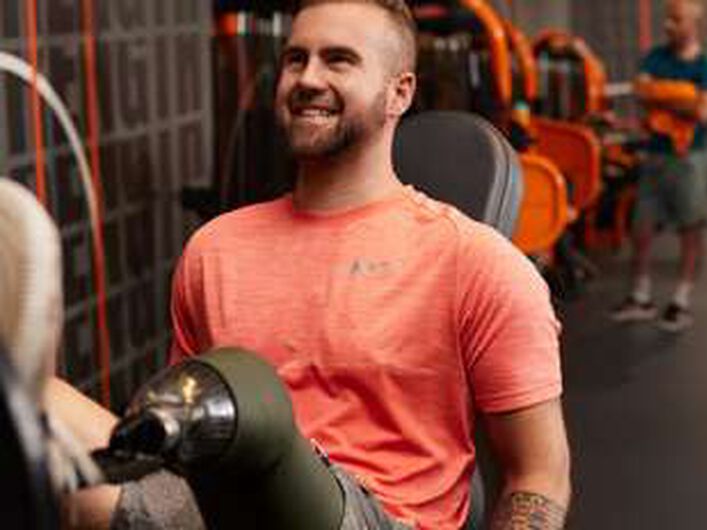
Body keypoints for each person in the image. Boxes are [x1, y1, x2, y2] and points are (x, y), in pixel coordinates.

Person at [169, 1, 570, 528]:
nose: (307, 79)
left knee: (263, 429)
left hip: (375, 516)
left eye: (338, 60)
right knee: (74, 454)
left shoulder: (478, 263)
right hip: (226, 511)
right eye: (296, 59)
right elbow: (186, 431)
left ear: (399, 93)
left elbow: (539, 475)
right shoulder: (213, 250)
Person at [611, 0, 707, 332]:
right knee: (641, 228)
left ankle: (680, 302)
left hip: (690, 158)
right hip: (655, 155)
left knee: (690, 228)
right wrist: (685, 95)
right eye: (668, 19)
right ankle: (640, 297)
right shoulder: (655, 57)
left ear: (693, 24)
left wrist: (660, 96)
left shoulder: (706, 66)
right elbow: (640, 92)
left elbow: (702, 112)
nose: (668, 25)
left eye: (676, 19)